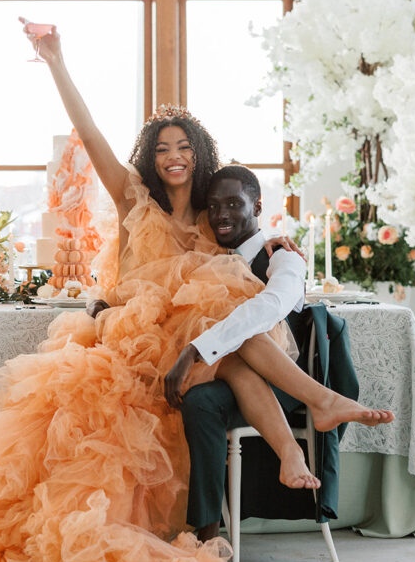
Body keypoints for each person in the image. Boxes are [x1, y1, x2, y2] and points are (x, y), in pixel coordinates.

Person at [0, 24, 380, 562]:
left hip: (194, 341)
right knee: (193, 364)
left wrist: (281, 240)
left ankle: (295, 440)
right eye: (164, 148)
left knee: (228, 339)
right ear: (151, 157)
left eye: (185, 147)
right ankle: (311, 417)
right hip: (136, 341)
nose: (175, 157)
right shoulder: (132, 198)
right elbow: (89, 132)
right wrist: (56, 61)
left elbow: (249, 231)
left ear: (199, 152)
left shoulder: (213, 215)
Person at [162, 165, 393, 541]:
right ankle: (207, 535)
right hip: (228, 373)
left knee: (248, 335)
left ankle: (319, 402)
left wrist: (194, 350)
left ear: (257, 207)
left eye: (234, 203)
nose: (221, 214)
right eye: (214, 205)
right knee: (200, 400)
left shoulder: (285, 256)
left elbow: (271, 307)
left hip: (283, 383)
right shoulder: (205, 257)